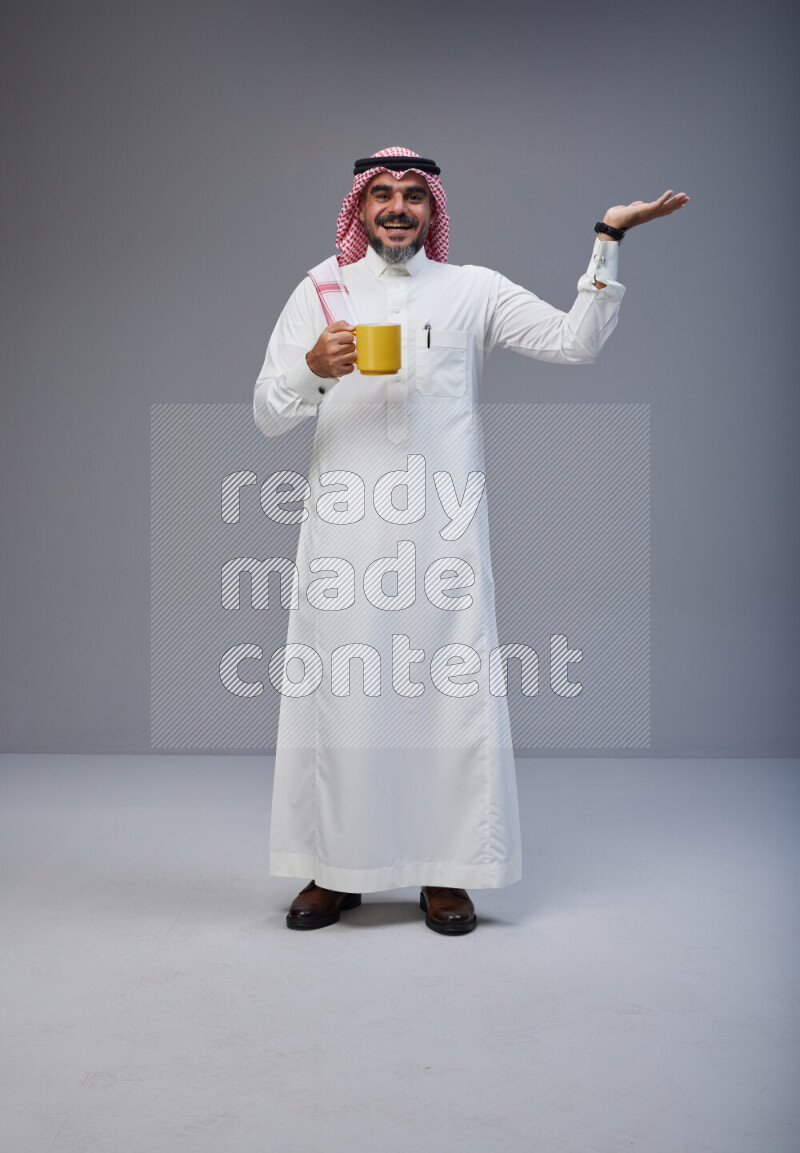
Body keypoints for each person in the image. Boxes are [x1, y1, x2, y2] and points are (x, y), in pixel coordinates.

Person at [252, 146, 688, 935]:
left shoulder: (472, 290)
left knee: (447, 700)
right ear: (360, 208)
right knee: (343, 698)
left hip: (442, 535)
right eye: (382, 194)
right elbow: (266, 411)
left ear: (432, 209)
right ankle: (336, 868)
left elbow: (575, 341)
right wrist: (313, 368)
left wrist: (609, 237)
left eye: (413, 195)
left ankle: (446, 872)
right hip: (346, 537)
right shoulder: (321, 289)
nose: (397, 207)